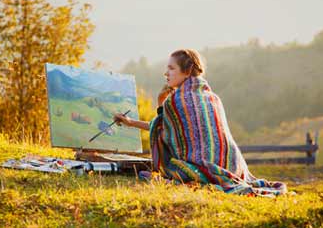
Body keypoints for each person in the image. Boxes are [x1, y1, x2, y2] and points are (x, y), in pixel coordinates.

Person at [113, 49, 287, 197]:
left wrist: (147, 112)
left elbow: (160, 129)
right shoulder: (212, 97)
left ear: (187, 71)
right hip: (234, 166)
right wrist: (130, 122)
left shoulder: (175, 101)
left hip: (203, 167)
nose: (166, 73)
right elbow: (165, 126)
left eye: (171, 68)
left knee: (147, 174)